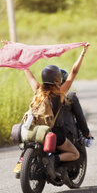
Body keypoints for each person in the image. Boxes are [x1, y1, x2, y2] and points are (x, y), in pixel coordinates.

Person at [23, 43, 90, 179]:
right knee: (75, 153)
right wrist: (83, 53)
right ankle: (55, 160)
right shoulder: (59, 94)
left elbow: (27, 71)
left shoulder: (37, 89)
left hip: (35, 129)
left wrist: (21, 57)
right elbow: (73, 72)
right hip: (53, 133)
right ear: (57, 79)